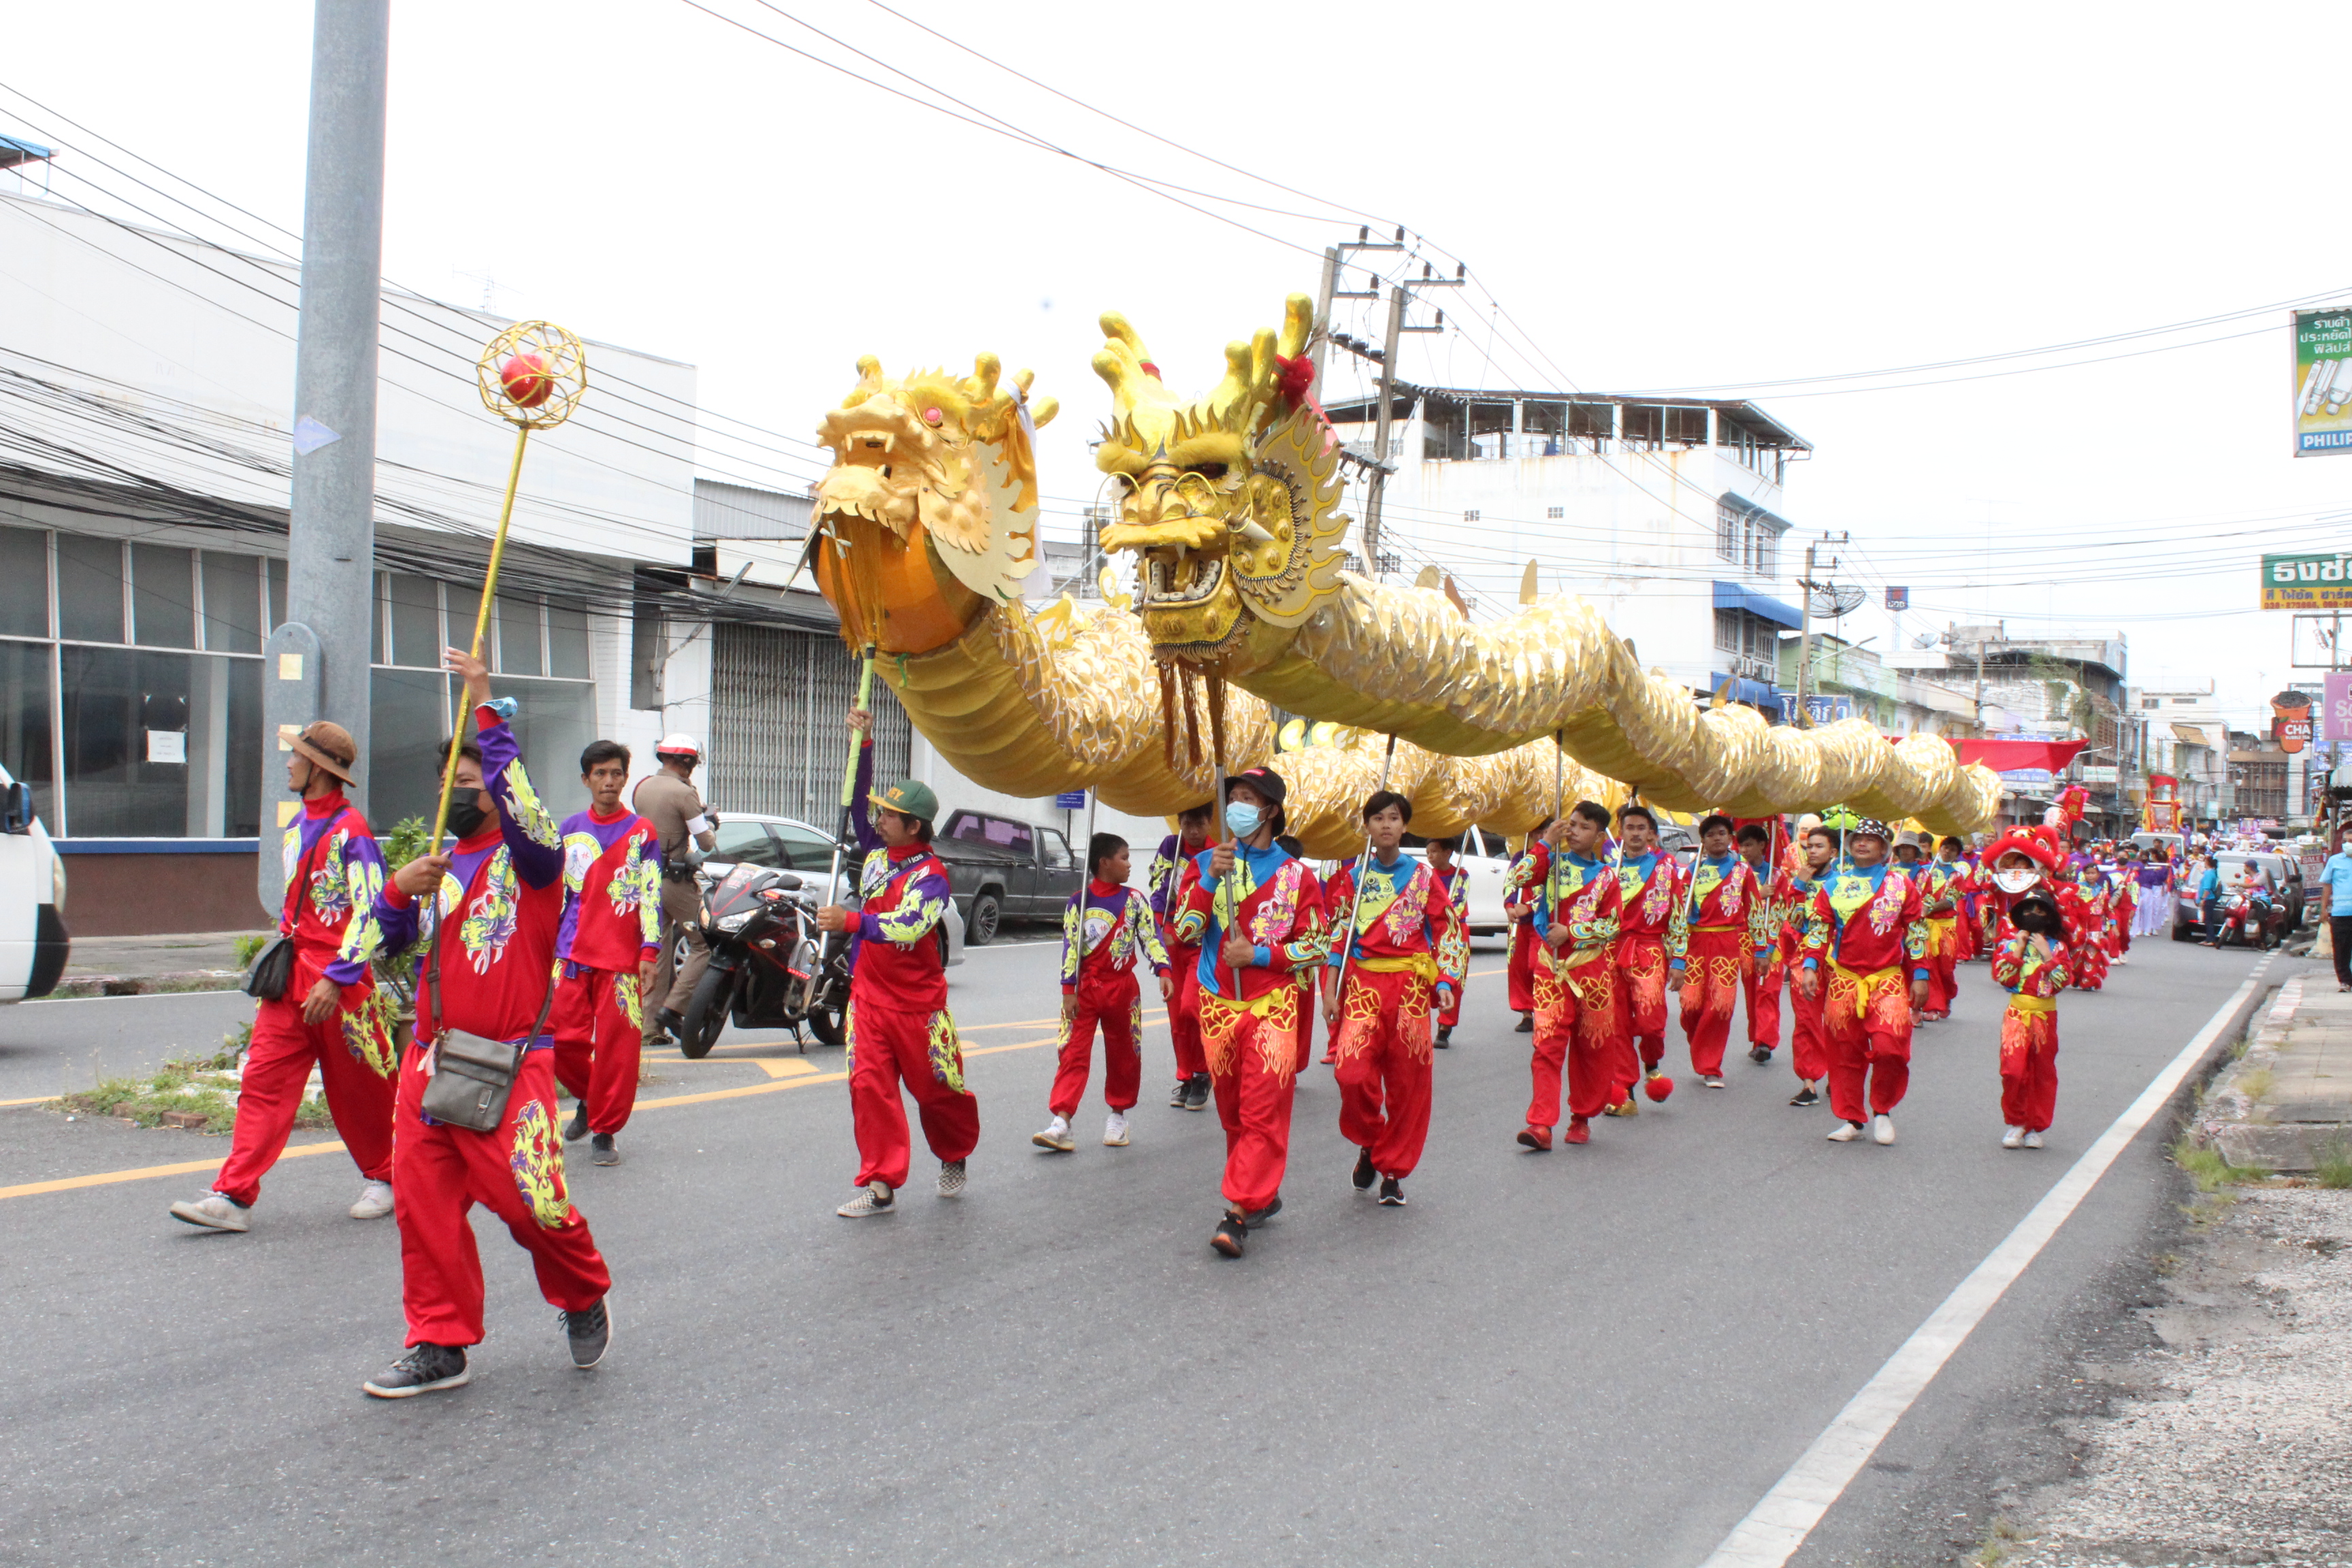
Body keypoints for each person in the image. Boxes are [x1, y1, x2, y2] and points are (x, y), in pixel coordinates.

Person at [360, 649, 612, 1399]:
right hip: (431, 1062)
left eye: (469, 784)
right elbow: (386, 950)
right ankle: (438, 1341)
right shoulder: (436, 865)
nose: (456, 795)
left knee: (530, 1203)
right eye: (448, 785)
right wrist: (398, 895)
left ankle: (581, 1288)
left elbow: (526, 808)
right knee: (424, 1206)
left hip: (513, 1063)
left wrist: (484, 701)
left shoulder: (533, 858)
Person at [170, 721, 399, 1234]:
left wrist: (338, 978)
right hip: (289, 982)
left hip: (339, 988)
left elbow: (375, 911)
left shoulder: (352, 832)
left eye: (296, 757)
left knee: (363, 1091)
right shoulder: (298, 827)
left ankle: (390, 1178)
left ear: (318, 768)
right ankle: (233, 1196)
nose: (289, 764)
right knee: (262, 1082)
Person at [820, 708, 977, 1218]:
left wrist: (850, 922)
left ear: (915, 826)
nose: (879, 821)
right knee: (869, 1088)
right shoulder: (876, 854)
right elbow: (858, 794)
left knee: (937, 1091)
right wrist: (863, 743)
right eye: (881, 814)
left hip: (919, 1008)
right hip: (868, 999)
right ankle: (882, 1182)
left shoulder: (932, 876)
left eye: (889, 816)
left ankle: (953, 1153)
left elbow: (908, 926)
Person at [1170, 766, 1327, 1258]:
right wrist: (1208, 882)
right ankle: (1260, 1192)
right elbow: (1185, 931)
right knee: (1234, 1113)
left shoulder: (1299, 876)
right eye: (1232, 796)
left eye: (1247, 798)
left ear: (1271, 811)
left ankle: (1235, 1211)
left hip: (1273, 1005)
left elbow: (1317, 946)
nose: (1236, 805)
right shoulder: (1206, 863)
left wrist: (1259, 956)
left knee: (1261, 1110)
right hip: (1219, 1002)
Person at [1321, 791, 1466, 1206]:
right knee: (1350, 1074)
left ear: (1405, 827)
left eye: (1394, 818)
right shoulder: (1352, 879)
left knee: (1408, 1086)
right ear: (1366, 827)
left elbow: (1447, 930)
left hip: (1410, 993)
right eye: (1378, 818)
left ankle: (1392, 1172)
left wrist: (1446, 980)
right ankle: (1369, 1140)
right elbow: (1338, 939)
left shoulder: (1423, 877)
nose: (1386, 825)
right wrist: (1330, 992)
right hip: (1364, 988)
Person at [551, 740, 662, 1169]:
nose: (609, 782)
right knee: (561, 1041)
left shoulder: (642, 832)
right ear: (586, 780)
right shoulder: (569, 830)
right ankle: (589, 1098)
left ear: (625, 778)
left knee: (618, 1050)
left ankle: (605, 1130)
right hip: (570, 953)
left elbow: (651, 893)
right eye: (600, 774)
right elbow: (556, 896)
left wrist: (649, 950)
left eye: (616, 773)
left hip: (620, 958)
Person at [1796, 815, 1929, 1146]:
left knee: (1890, 1048)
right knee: (1844, 1053)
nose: (1862, 843)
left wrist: (1921, 974)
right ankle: (1852, 1118)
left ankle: (1882, 1110)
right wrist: (1811, 965)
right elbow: (1819, 929)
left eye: (1871, 839)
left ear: (1885, 849)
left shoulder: (1901, 885)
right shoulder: (1834, 886)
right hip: (1843, 981)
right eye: (1857, 838)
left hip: (1887, 981)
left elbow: (1916, 930)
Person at [1035, 834, 1171, 1152]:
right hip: (1084, 990)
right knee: (1073, 1052)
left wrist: (1163, 970)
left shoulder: (1135, 900)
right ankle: (1062, 1121)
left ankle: (1118, 1117)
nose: (1129, 863)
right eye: (1124, 857)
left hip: (1122, 989)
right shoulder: (1078, 902)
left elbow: (1151, 938)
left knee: (1125, 1053)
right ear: (1104, 863)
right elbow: (1070, 947)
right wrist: (1069, 990)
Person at [1522, 800, 1631, 1147]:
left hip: (1592, 972)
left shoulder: (1607, 877)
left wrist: (1572, 933)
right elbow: (1517, 879)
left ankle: (1582, 1116)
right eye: (1571, 824)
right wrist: (1544, 844)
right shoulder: (1551, 864)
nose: (1574, 831)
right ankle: (1540, 1124)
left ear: (1600, 836)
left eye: (1583, 827)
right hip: (1551, 970)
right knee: (1547, 1045)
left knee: (1592, 1047)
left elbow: (1612, 925)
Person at [1669, 813, 1764, 1088]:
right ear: (1703, 840)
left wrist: (1761, 949)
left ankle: (1710, 1066)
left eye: (1721, 833)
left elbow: (1754, 910)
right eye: (1710, 835)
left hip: (1727, 944)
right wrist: (1676, 951)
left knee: (1720, 1006)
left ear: (1730, 838)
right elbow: (1679, 914)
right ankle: (1700, 1045)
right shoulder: (1692, 871)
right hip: (1695, 943)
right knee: (1690, 1007)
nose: (1717, 838)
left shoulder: (1742, 871)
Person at [633, 734, 716, 1045]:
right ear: (688, 762)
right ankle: (674, 1007)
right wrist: (709, 822)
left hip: (647, 880)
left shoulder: (642, 787)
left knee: (658, 951)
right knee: (704, 943)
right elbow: (705, 842)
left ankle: (649, 1028)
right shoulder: (684, 793)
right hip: (675, 880)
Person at [1991, 878, 2071, 1150]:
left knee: (2042, 1071)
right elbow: (2002, 977)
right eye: (2028, 910)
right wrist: (2018, 949)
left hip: (2045, 1016)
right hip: (2016, 1013)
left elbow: (2061, 981)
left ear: (2048, 917)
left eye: (2040, 911)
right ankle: (2017, 1121)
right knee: (2013, 1070)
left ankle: (2035, 1126)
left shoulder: (2059, 948)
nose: (2033, 916)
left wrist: (2048, 955)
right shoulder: (2008, 943)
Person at [1147, 803, 1216, 1109]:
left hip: (1204, 943)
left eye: (1199, 824)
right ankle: (1187, 1076)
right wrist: (1163, 923)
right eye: (1187, 824)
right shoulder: (1170, 847)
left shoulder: (1219, 851)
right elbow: (1160, 886)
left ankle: (1204, 1072)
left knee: (1193, 1008)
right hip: (1174, 940)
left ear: (1209, 823)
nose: (1193, 831)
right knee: (1177, 1016)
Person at [1614, 803, 1682, 1102]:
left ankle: (1652, 1065)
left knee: (1650, 1023)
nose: (1636, 833)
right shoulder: (1608, 867)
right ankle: (1625, 1090)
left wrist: (1679, 959)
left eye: (1642, 828)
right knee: (1616, 1023)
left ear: (1651, 833)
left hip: (1650, 949)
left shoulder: (1667, 868)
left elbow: (1679, 914)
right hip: (1611, 950)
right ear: (1621, 832)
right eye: (1631, 828)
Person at [1780, 823, 1838, 1107]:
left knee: (1839, 1022)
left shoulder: (1846, 882)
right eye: (1809, 847)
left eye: (1819, 846)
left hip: (1840, 959)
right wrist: (1799, 887)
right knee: (1806, 1020)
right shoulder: (1799, 881)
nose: (1812, 852)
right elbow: (1793, 921)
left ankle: (1840, 1076)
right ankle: (1810, 1082)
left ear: (1834, 851)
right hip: (1806, 958)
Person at [1736, 823, 1782, 1066]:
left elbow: (1782, 911)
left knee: (1769, 991)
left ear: (1763, 845)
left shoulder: (1777, 876)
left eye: (1749, 844)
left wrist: (1771, 945)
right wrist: (1757, 895)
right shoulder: (1736, 875)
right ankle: (1758, 1039)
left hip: (1773, 942)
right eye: (1741, 845)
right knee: (1753, 993)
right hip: (1745, 941)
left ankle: (1766, 1041)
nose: (1744, 850)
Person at [1502, 818, 1552, 1033]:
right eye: (1536, 833)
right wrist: (1510, 905)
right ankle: (1526, 1013)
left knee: (1538, 965)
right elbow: (1511, 882)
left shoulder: (1556, 861)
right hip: (1519, 924)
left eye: (1545, 833)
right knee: (1519, 968)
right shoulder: (1520, 858)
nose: (1540, 837)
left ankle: (1544, 1007)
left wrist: (1530, 907)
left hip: (1542, 923)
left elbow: (1552, 894)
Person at [1423, 833, 1471, 1047]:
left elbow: (1458, 904)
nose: (1430, 857)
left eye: (1434, 851)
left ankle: (1445, 1027)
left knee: (1452, 977)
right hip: (1430, 930)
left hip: (1455, 930)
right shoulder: (1425, 876)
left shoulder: (1461, 874)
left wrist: (1443, 912)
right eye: (1428, 853)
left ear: (1447, 852)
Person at [1918, 836, 1968, 1022]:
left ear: (1957, 855)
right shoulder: (1924, 871)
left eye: (1953, 850)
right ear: (1939, 848)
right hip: (1924, 927)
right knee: (1927, 966)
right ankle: (1931, 1005)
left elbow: (1950, 901)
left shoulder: (1958, 877)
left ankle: (1946, 996)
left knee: (1946, 968)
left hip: (1945, 928)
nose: (1948, 852)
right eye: (1945, 847)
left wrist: (1928, 909)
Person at [2321, 826, 2352, 993]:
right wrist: (2323, 909)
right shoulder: (2335, 861)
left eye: (2351, 842)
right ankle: (2345, 982)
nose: (2348, 845)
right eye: (2345, 842)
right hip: (2340, 913)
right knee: (2341, 949)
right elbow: (2327, 886)